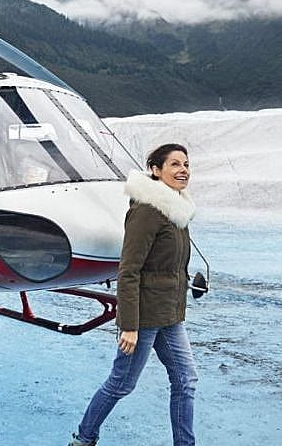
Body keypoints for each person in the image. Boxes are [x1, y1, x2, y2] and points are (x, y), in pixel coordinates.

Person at [69, 143, 198, 446]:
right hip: (144, 317)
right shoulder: (147, 212)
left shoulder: (177, 210)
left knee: (186, 380)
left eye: (186, 165)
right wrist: (129, 324)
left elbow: (171, 265)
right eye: (175, 165)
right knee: (121, 384)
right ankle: (84, 438)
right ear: (156, 170)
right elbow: (129, 270)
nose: (183, 171)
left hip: (170, 315)